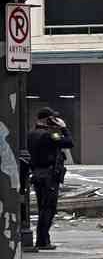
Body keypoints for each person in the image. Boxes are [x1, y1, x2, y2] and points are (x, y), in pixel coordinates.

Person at [28, 107, 73, 250]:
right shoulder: (48, 135)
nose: (54, 121)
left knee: (43, 207)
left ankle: (42, 240)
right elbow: (69, 142)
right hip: (48, 176)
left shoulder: (31, 133)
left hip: (37, 174)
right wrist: (64, 128)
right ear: (46, 119)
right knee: (48, 209)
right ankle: (42, 241)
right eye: (52, 118)